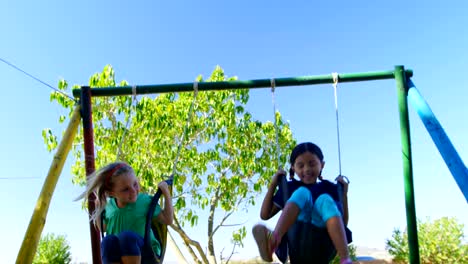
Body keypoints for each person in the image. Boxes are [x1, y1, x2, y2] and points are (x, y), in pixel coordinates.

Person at [253, 142, 351, 264]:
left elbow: (343, 223)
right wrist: (273, 185)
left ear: (322, 165)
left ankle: (345, 259)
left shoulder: (330, 188)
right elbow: (265, 215)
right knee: (302, 193)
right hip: (298, 233)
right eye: (301, 165)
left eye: (312, 164)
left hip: (323, 237)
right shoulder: (289, 188)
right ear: (293, 168)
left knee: (324, 200)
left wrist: (343, 195)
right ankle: (273, 240)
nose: (307, 169)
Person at [76, 162, 173, 264]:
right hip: (120, 256)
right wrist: (99, 207)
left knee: (126, 237)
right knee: (107, 241)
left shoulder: (144, 201)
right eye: (125, 189)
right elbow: (102, 228)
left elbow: (168, 219)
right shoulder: (109, 207)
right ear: (111, 193)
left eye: (135, 184)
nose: (133, 191)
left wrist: (166, 192)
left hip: (146, 253)